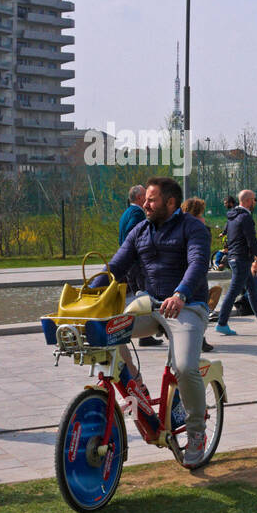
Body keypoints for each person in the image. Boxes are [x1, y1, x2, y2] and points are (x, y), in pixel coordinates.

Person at [100, 177, 212, 467]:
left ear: (170, 203)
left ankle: (197, 433)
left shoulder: (193, 228)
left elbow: (198, 263)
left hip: (187, 306)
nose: (145, 205)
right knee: (105, 331)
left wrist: (181, 294)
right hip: (151, 306)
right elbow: (116, 266)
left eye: (151, 200)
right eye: (145, 200)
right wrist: (89, 289)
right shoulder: (140, 230)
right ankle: (135, 383)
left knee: (186, 367)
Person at [215, 189, 257, 336]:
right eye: (254, 200)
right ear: (248, 200)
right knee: (233, 292)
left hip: (235, 258)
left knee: (251, 289)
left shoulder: (233, 216)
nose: (255, 202)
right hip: (241, 259)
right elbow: (252, 243)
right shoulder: (245, 217)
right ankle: (222, 323)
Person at [117, 184, 156, 344]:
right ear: (140, 197)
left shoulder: (128, 212)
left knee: (136, 296)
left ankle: (142, 334)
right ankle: (144, 335)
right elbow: (132, 232)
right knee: (143, 296)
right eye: (146, 194)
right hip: (135, 262)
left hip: (128, 261)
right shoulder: (136, 213)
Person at [182, 197, 221, 351]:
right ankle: (199, 339)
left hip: (185, 273)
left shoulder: (180, 227)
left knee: (190, 307)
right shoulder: (199, 228)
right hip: (196, 273)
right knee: (200, 306)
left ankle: (195, 338)